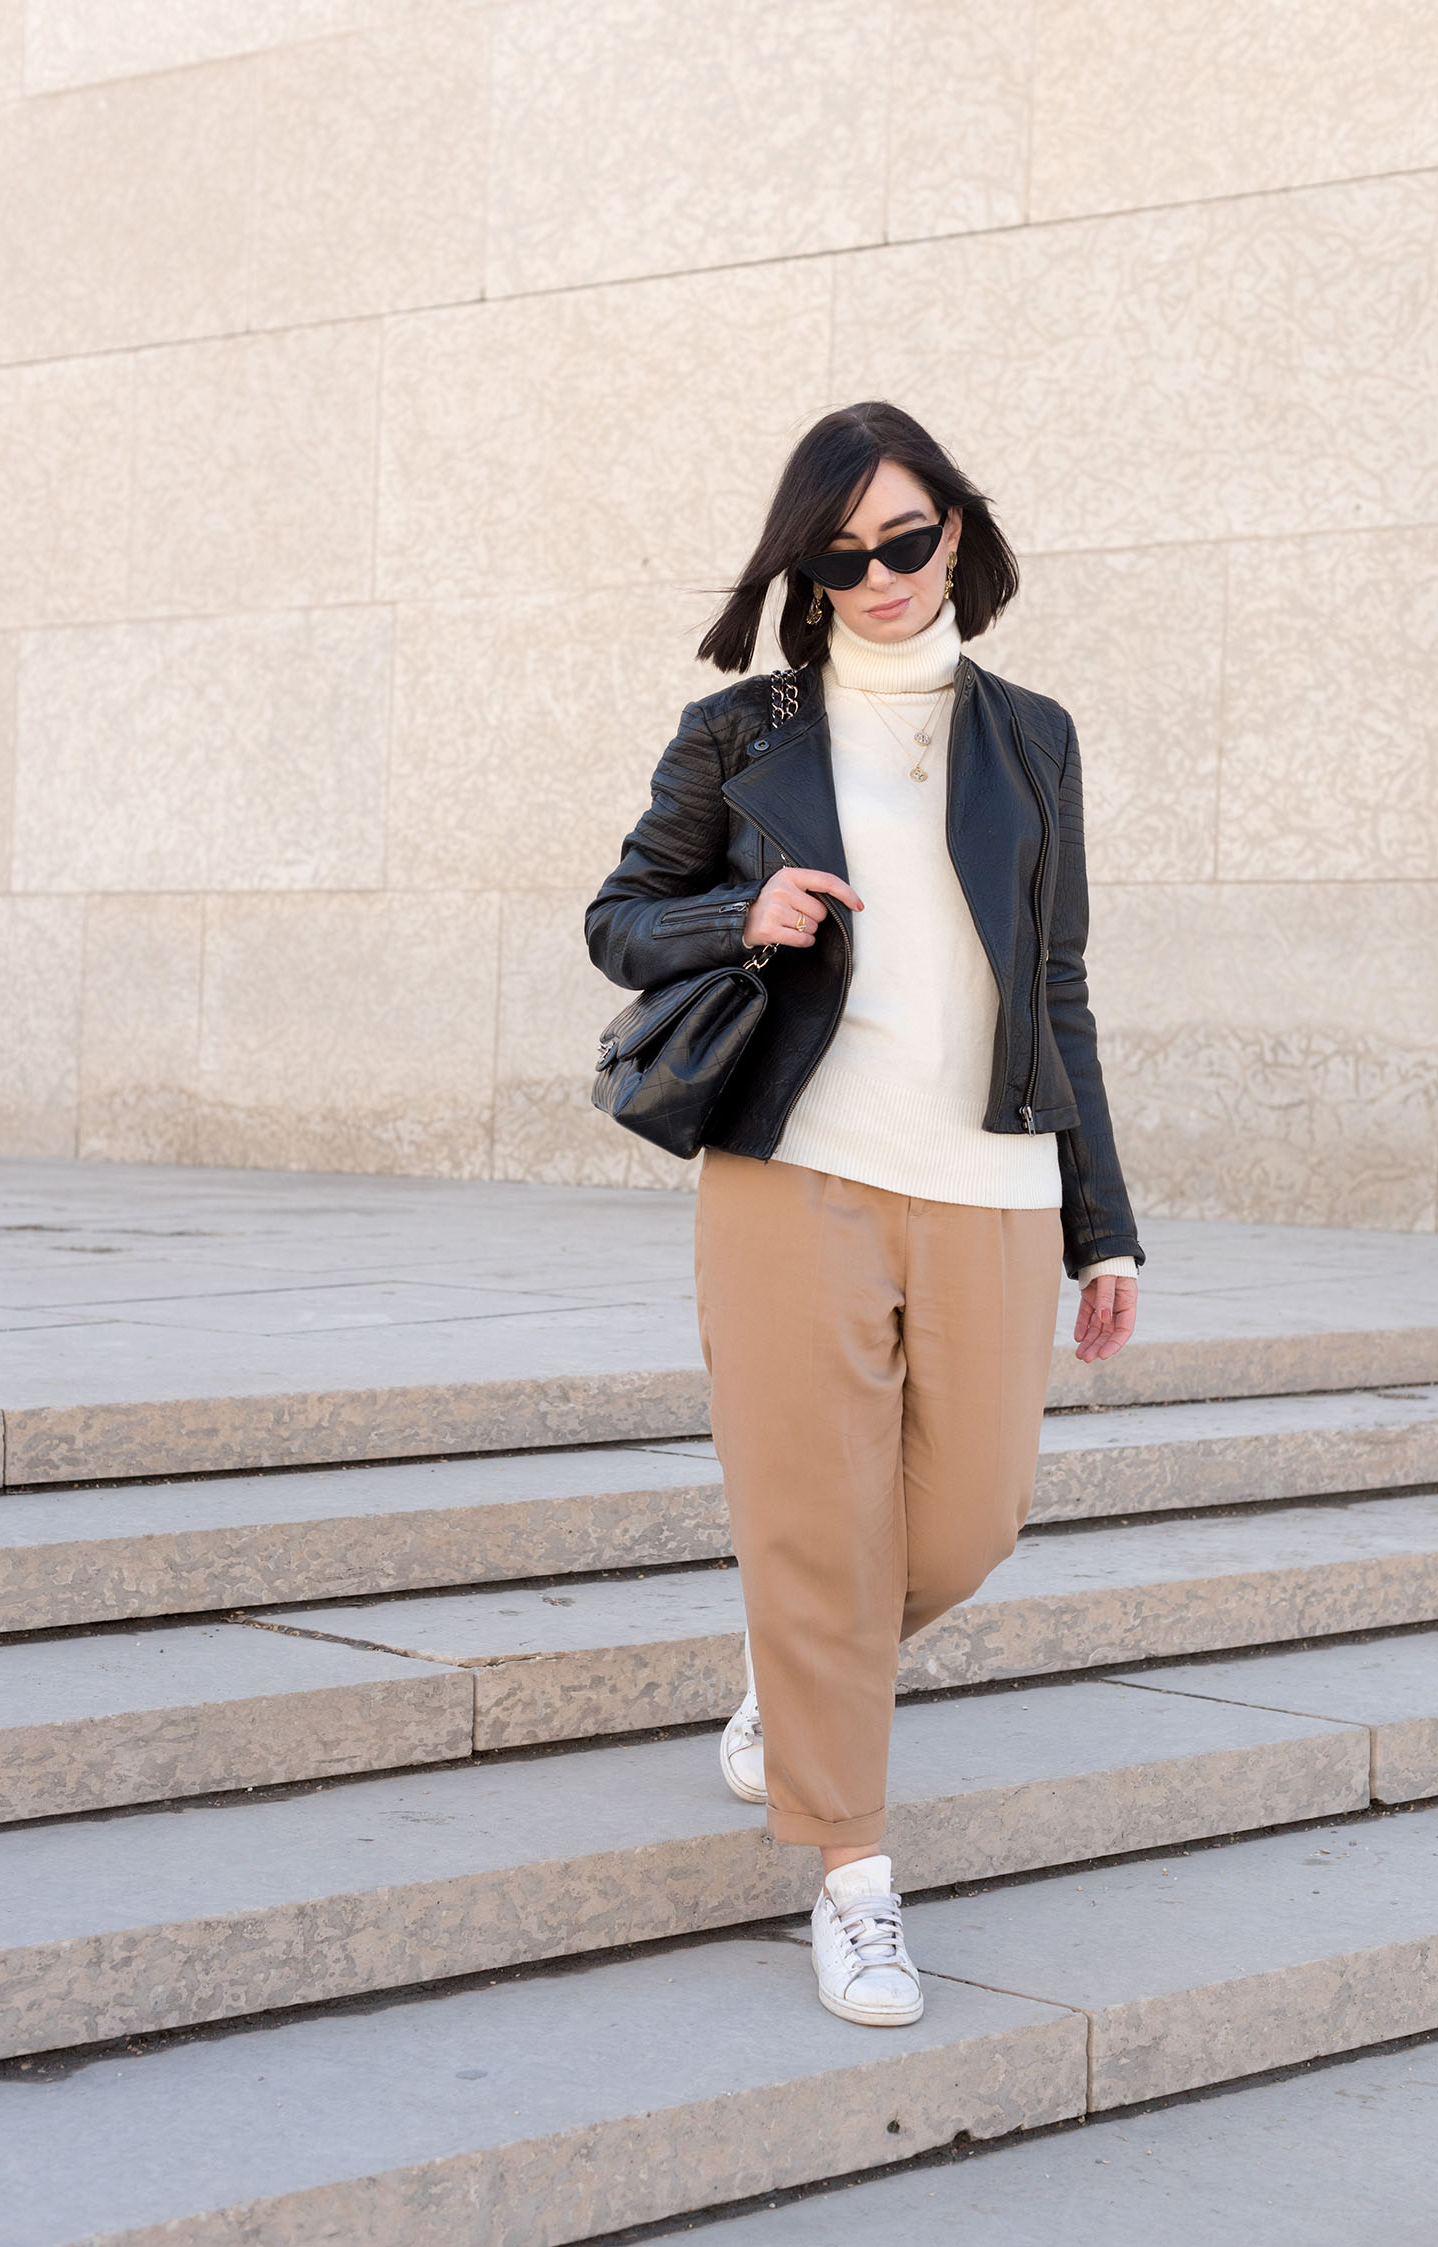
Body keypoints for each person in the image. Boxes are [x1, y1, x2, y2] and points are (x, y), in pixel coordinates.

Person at [586, 400, 1142, 2028]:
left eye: (906, 540)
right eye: (843, 554)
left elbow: (1058, 984)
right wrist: (730, 910)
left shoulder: (1034, 732)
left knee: (967, 1518)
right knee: (821, 1523)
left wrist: (1102, 1221)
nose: (881, 573)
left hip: (990, 1179)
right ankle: (853, 1879)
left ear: (954, 533)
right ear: (807, 568)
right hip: (794, 1171)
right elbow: (619, 920)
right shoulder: (741, 733)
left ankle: (789, 1668)